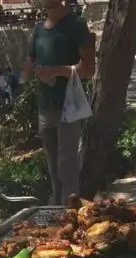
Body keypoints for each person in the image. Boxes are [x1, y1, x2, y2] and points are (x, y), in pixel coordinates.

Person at [24, 0, 95, 206]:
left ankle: (69, 216)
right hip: (44, 109)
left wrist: (57, 70)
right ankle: (57, 215)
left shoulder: (77, 25)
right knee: (53, 169)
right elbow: (29, 64)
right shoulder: (38, 30)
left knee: (67, 168)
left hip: (69, 108)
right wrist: (30, 72)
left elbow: (89, 69)